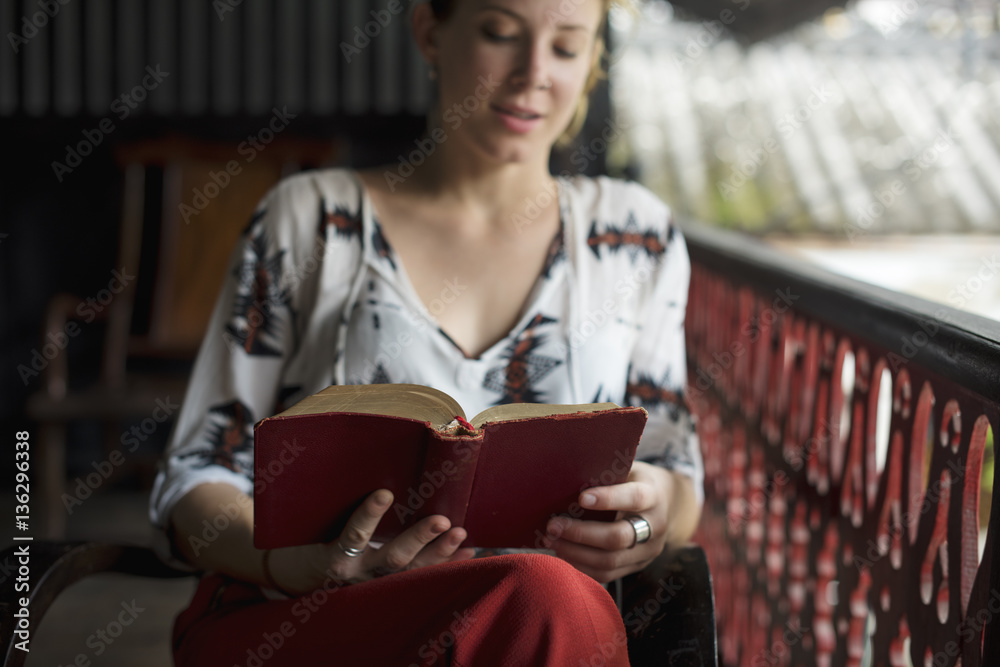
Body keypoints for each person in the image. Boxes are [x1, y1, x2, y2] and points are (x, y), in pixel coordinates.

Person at [148, 0, 704, 664]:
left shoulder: (635, 236)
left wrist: (648, 517)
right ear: (429, 31)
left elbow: (675, 471)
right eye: (500, 33)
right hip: (309, 619)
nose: (533, 75)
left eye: (565, 47)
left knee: (546, 596)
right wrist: (295, 563)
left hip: (540, 631)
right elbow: (196, 478)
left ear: (591, 63)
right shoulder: (310, 220)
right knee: (548, 597)